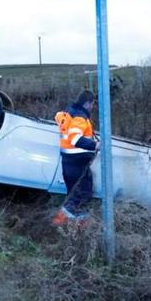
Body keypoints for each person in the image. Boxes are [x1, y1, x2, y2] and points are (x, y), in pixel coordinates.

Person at [52, 90, 100, 225]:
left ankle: (74, 224)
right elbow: (75, 139)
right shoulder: (79, 118)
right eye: (92, 104)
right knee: (81, 195)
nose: (92, 107)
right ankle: (59, 223)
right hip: (77, 162)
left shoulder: (68, 113)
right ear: (87, 104)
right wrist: (95, 145)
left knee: (76, 195)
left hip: (70, 162)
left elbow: (57, 116)